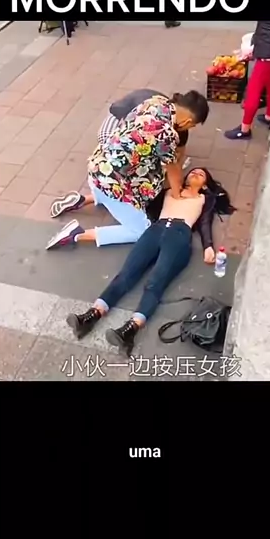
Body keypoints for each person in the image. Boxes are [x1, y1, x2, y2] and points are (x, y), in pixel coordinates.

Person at [66, 167, 235, 356]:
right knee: (126, 274)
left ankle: (130, 329)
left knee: (155, 281)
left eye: (200, 174)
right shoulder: (170, 190)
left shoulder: (204, 198)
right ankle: (91, 315)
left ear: (204, 184)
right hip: (154, 230)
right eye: (192, 172)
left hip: (179, 235)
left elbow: (205, 222)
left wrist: (208, 246)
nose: (195, 174)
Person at [46, 91, 210, 250]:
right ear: (187, 121)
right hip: (110, 182)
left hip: (100, 165)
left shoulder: (156, 102)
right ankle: (77, 234)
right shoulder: (166, 134)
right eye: (193, 125)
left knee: (149, 181)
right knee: (141, 231)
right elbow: (173, 171)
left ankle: (82, 200)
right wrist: (177, 195)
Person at [50, 89, 190, 219]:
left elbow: (176, 157)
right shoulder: (166, 131)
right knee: (118, 155)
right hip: (116, 121)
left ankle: (87, 198)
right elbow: (172, 163)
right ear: (187, 121)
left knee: (136, 166)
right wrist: (176, 190)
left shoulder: (159, 105)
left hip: (109, 156)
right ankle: (79, 230)